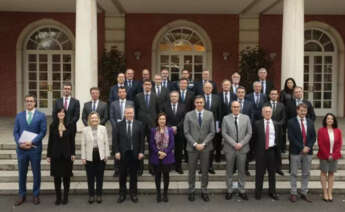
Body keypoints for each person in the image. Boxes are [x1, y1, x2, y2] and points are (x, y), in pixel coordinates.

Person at [13, 94, 47, 206]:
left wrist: (32, 142)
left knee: (36, 173)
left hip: (34, 149)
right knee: (22, 173)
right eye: (27, 101)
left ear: (35, 103)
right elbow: (16, 132)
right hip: (22, 150)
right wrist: (19, 143)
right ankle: (22, 194)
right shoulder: (19, 116)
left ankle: (36, 194)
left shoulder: (41, 116)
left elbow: (43, 132)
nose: (29, 103)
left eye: (31, 101)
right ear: (25, 102)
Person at [184, 95, 215, 202]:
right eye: (197, 102)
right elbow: (186, 132)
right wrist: (195, 144)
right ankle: (191, 190)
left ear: (204, 103)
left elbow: (212, 132)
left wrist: (204, 143)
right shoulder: (188, 115)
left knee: (205, 170)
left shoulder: (210, 114)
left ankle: (204, 190)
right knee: (191, 170)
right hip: (192, 148)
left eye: (201, 102)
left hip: (205, 148)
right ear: (194, 103)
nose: (199, 104)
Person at [222, 101, 252, 200]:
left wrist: (241, 144)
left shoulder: (246, 118)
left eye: (237, 107)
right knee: (229, 170)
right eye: (234, 107)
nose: (235, 108)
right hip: (230, 148)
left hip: (242, 149)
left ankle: (241, 190)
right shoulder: (226, 118)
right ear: (231, 108)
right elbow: (224, 133)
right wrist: (234, 144)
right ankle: (229, 190)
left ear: (240, 107)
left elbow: (249, 133)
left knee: (241, 170)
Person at [114, 106, 145, 203]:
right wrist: (116, 151)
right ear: (124, 114)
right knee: (122, 175)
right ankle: (122, 194)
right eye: (127, 113)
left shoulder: (139, 124)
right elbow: (115, 140)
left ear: (134, 113)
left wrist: (141, 152)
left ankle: (133, 194)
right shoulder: (119, 125)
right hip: (122, 154)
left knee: (133, 176)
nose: (129, 115)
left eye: (131, 113)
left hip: (134, 154)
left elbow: (142, 140)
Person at [288, 103, 316, 203]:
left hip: (308, 152)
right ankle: (293, 193)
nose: (303, 112)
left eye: (304, 110)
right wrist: (302, 147)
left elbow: (313, 137)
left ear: (307, 111)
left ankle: (304, 192)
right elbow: (291, 138)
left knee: (306, 173)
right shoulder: (291, 122)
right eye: (301, 110)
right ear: (297, 110)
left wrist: (308, 146)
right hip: (295, 151)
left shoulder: (310, 122)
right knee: (294, 173)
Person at [47, 107, 75, 205]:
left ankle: (65, 197)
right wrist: (48, 155)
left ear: (65, 114)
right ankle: (58, 198)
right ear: (56, 114)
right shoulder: (52, 125)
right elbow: (50, 141)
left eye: (63, 112)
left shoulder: (70, 125)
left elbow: (72, 141)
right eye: (59, 112)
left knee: (66, 178)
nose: (61, 114)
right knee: (57, 178)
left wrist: (73, 154)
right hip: (55, 155)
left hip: (67, 155)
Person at [81, 112, 110, 204]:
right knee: (90, 177)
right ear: (89, 119)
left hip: (100, 155)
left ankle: (99, 195)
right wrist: (83, 157)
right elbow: (83, 145)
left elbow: (106, 142)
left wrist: (106, 155)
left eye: (96, 118)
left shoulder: (103, 128)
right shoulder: (85, 130)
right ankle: (91, 195)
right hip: (89, 156)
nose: (94, 119)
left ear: (98, 119)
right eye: (92, 118)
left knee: (100, 177)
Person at [254, 106, 280, 200]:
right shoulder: (257, 124)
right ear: (262, 113)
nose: (267, 113)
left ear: (272, 113)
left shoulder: (276, 124)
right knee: (259, 173)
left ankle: (272, 192)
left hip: (272, 151)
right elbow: (254, 139)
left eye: (269, 111)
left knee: (272, 173)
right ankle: (258, 192)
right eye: (266, 111)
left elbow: (279, 139)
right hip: (261, 152)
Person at [135, 79, 160, 175]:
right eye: (145, 84)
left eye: (149, 85)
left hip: (152, 126)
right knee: (139, 147)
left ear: (151, 86)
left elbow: (158, 111)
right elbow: (136, 111)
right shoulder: (138, 96)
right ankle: (139, 169)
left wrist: (157, 125)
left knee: (152, 148)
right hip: (140, 126)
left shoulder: (155, 97)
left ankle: (151, 168)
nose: (147, 86)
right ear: (143, 86)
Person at [150, 113, 175, 202]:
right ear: (158, 120)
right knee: (157, 176)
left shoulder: (170, 130)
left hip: (167, 157)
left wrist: (165, 153)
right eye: (160, 119)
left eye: (163, 119)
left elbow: (172, 143)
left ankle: (165, 194)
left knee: (166, 176)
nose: (162, 121)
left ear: (166, 120)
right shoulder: (153, 130)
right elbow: (152, 144)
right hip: (156, 157)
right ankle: (158, 194)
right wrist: (158, 152)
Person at [109, 86, 134, 177]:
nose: (122, 93)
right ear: (118, 93)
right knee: (117, 149)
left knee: (127, 150)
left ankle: (127, 170)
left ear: (126, 93)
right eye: (120, 92)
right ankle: (117, 170)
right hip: (117, 130)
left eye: (123, 92)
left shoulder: (131, 103)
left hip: (128, 129)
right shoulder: (113, 104)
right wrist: (116, 127)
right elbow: (111, 117)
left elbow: (133, 115)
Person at [317, 113, 342, 202]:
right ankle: (325, 192)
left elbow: (339, 144)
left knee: (331, 174)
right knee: (323, 173)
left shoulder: (338, 131)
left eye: (331, 119)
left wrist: (334, 155)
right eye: (328, 118)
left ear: (334, 120)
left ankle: (330, 192)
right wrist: (327, 155)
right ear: (325, 120)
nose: (330, 120)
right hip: (324, 155)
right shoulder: (321, 130)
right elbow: (320, 144)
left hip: (334, 156)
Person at [161, 91, 186, 174]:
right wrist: (170, 127)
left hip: (179, 131)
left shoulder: (183, 106)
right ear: (170, 97)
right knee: (168, 149)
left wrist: (177, 127)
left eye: (175, 96)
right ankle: (169, 166)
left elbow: (184, 118)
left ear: (178, 97)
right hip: (167, 131)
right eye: (172, 96)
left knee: (179, 150)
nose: (174, 98)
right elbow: (163, 118)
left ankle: (178, 167)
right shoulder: (165, 106)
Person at [52, 82, 80, 150]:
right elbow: (54, 114)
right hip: (59, 127)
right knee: (60, 144)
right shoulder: (57, 101)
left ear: (71, 90)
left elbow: (76, 116)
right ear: (62, 90)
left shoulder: (75, 102)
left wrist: (68, 125)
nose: (66, 90)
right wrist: (60, 124)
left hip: (71, 127)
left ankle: (70, 158)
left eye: (68, 89)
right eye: (65, 88)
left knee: (70, 144)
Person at [265, 89, 286, 176]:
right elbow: (263, 116)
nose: (274, 96)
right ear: (269, 95)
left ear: (277, 96)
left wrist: (276, 125)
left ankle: (278, 168)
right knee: (267, 151)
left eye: (275, 94)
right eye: (272, 94)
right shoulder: (265, 105)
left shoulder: (282, 105)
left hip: (278, 131)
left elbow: (284, 118)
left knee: (277, 150)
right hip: (267, 130)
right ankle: (266, 168)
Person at [203, 82, 221, 173]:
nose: (208, 89)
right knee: (202, 147)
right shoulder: (199, 98)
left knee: (211, 147)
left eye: (209, 88)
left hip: (213, 126)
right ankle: (203, 167)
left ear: (212, 89)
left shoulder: (217, 98)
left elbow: (219, 113)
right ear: (203, 89)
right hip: (202, 126)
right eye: (206, 87)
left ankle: (210, 166)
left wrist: (218, 127)